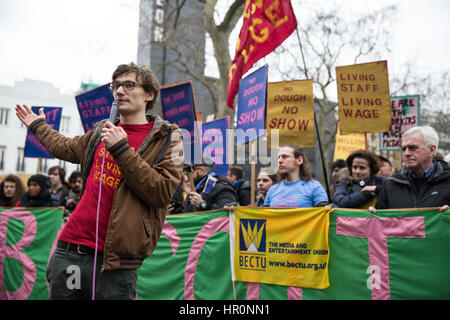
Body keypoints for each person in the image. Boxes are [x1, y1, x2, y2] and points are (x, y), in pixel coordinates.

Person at [15, 62, 184, 300]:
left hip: (115, 261)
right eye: (116, 86)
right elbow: (64, 147)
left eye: (128, 85)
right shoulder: (99, 131)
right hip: (69, 251)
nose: (119, 91)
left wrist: (122, 150)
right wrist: (37, 125)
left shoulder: (168, 139)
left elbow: (162, 191)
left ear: (149, 94)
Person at [372, 126, 449, 212]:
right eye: (404, 149)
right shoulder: (390, 185)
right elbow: (381, 222)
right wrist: (373, 216)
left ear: (431, 150)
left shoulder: (447, 182)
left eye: (413, 148)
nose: (406, 153)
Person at [263, 144, 329, 208]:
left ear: (299, 160)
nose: (279, 161)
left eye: (285, 157)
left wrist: (327, 208)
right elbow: (265, 216)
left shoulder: (314, 187)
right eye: (278, 157)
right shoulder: (272, 190)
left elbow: (323, 213)